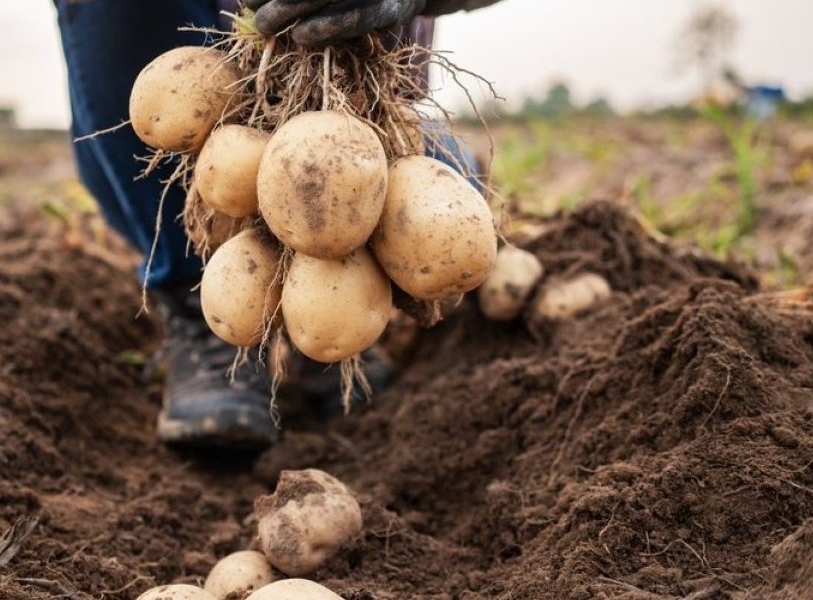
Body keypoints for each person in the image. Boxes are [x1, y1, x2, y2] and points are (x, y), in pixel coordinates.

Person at [55, 0, 502, 449]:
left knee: (425, 194)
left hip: (372, 93)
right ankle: (193, 293)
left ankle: (328, 313)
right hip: (226, 69)